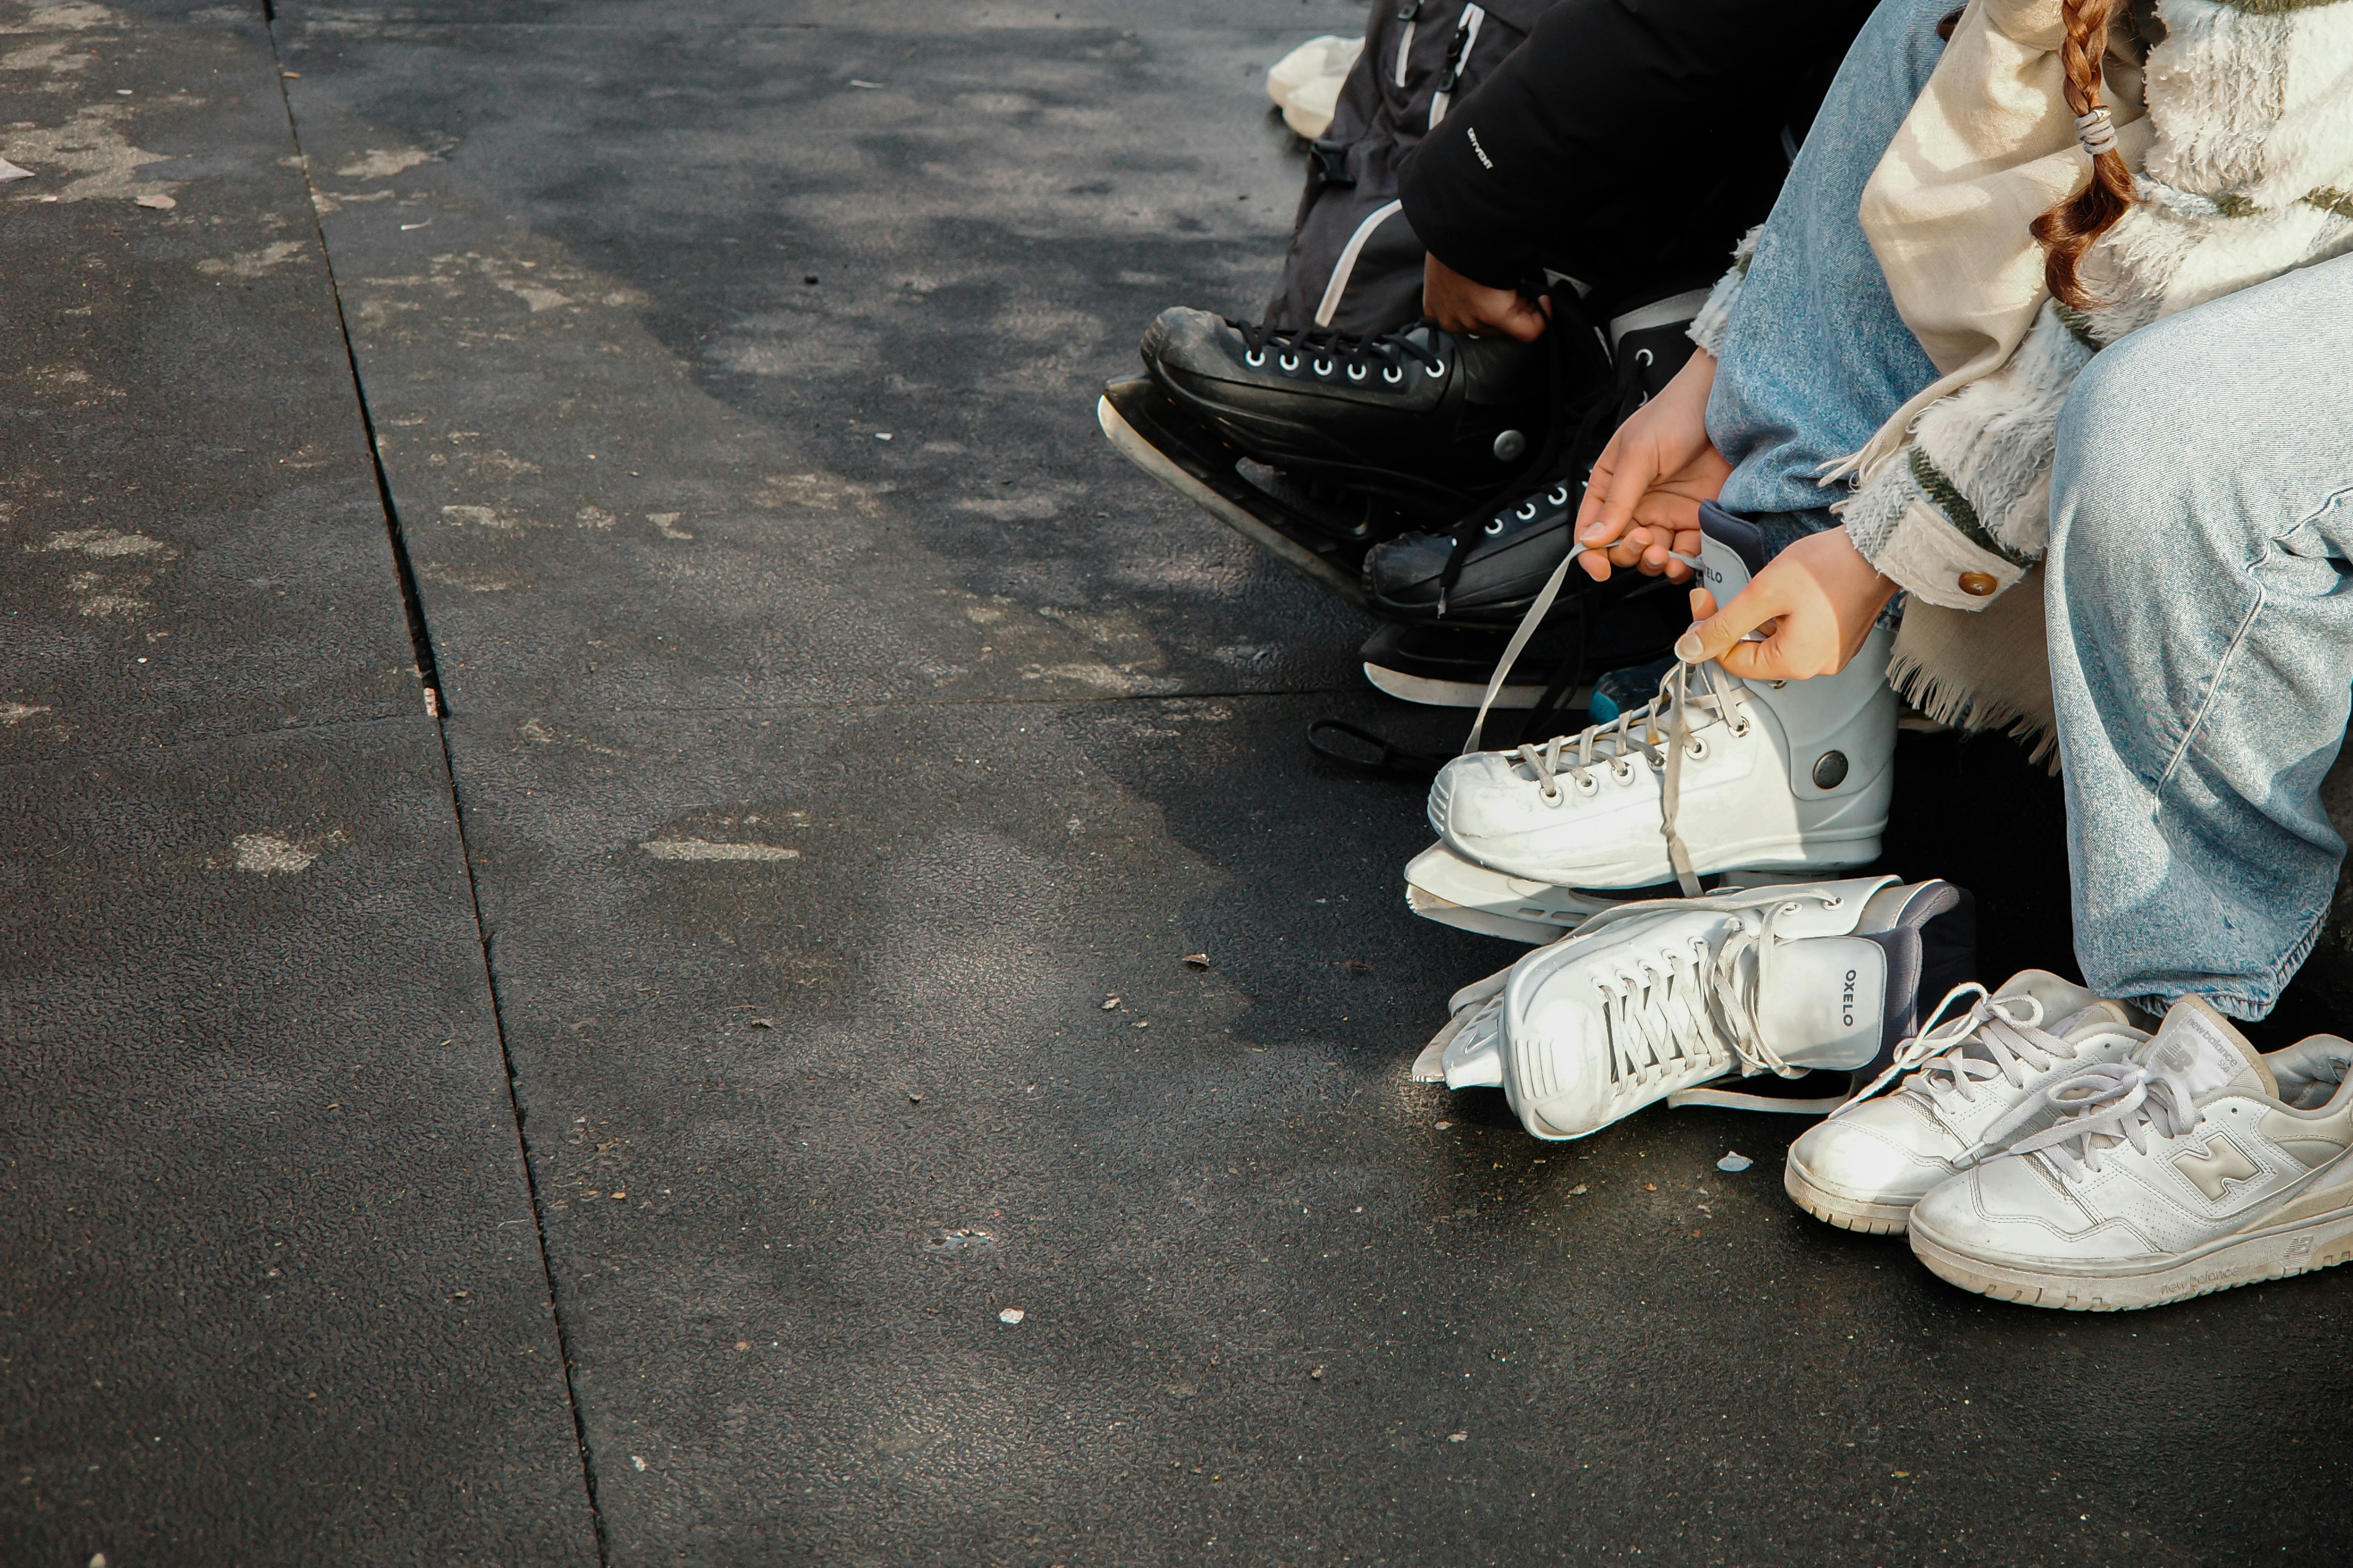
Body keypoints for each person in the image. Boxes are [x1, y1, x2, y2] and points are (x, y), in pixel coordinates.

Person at [1437, 0, 2353, 1309]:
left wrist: (1881, 552)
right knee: (1941, 25)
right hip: (2276, 170)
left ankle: (2194, 1039)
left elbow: (2216, 236)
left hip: (2287, 200)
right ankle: (1784, 731)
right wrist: (1717, 381)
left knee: (2175, 425)